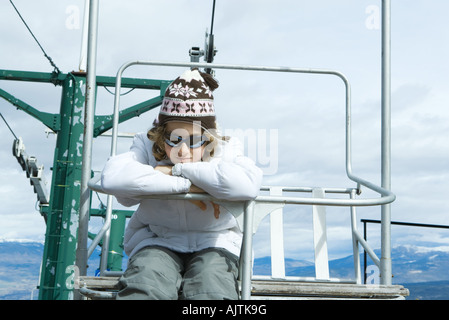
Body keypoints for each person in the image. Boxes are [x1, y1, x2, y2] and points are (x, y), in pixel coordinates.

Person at [100, 68, 263, 300]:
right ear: (160, 134)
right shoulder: (146, 147)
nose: (183, 150)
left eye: (194, 140)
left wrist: (174, 171)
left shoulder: (226, 150)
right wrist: (195, 186)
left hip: (215, 241)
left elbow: (247, 185)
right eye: (174, 139)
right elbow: (114, 178)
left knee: (210, 287)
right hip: (158, 239)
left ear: (208, 138)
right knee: (146, 281)